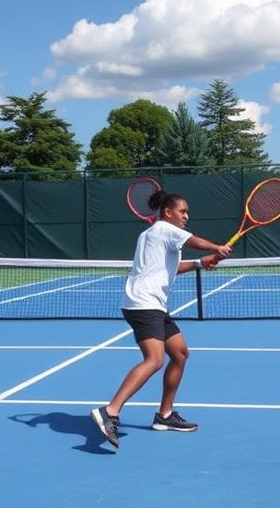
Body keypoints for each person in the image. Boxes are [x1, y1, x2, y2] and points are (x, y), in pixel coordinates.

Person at [91, 190, 232, 449]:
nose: (187, 216)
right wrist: (216, 247)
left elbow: (171, 267)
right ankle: (109, 411)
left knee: (180, 353)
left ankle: (164, 416)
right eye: (183, 211)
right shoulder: (165, 229)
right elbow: (194, 240)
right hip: (144, 304)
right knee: (154, 360)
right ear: (168, 212)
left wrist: (201, 263)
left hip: (152, 304)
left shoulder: (152, 235)